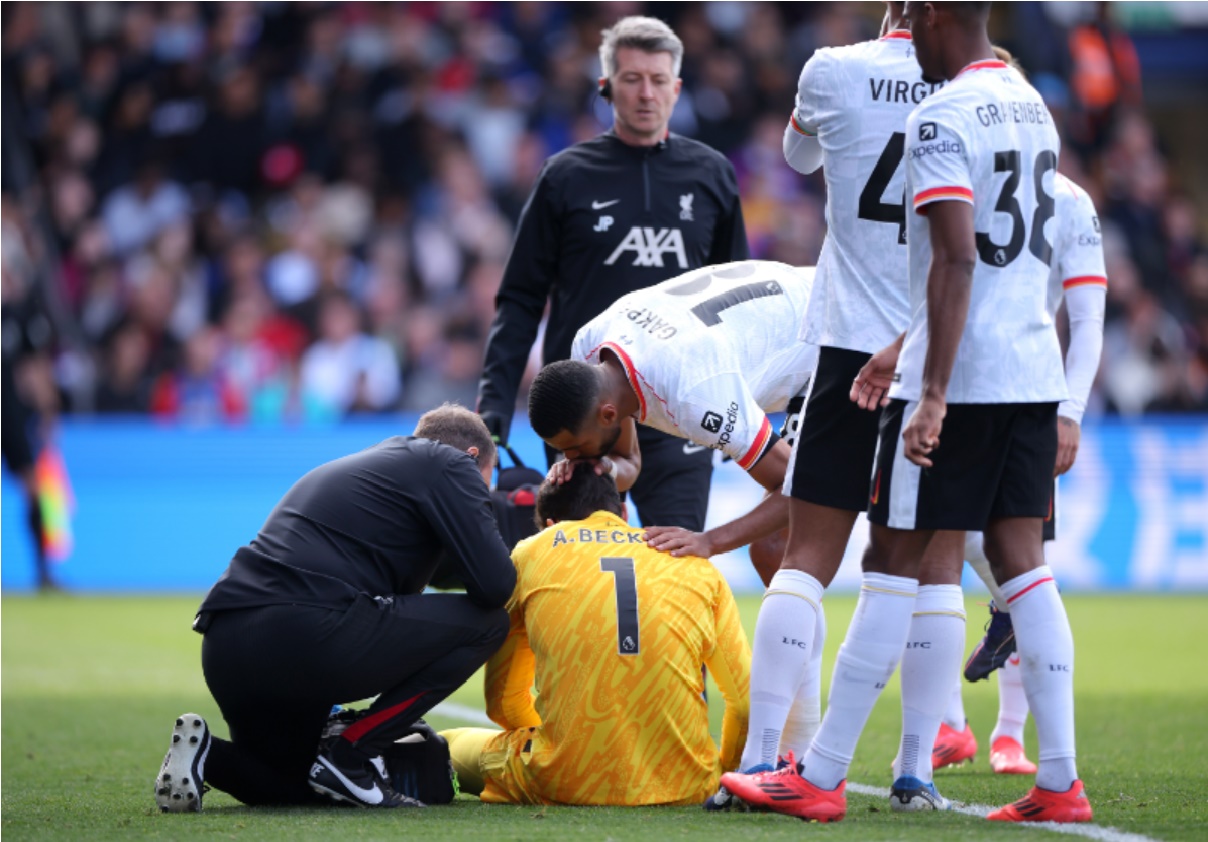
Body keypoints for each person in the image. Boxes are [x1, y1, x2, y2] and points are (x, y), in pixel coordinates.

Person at [723, 1, 1093, 824]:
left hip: (935, 367)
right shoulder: (1034, 106)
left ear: (924, 14)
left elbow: (956, 257)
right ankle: (1028, 777)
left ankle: (807, 772)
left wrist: (924, 382)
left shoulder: (922, 107)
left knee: (869, 558)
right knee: (1012, 568)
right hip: (1027, 368)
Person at [714, 1, 946, 807]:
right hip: (939, 347)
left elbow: (798, 156)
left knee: (807, 556)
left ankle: (758, 758)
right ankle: (913, 769)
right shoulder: (979, 87)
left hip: (847, 341)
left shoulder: (831, 69)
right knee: (924, 568)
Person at [153, 405, 516, 812]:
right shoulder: (449, 462)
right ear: (471, 457)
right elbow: (494, 585)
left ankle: (206, 755)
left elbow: (452, 568)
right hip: (306, 633)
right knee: (488, 623)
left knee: (289, 783)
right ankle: (352, 752)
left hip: (227, 646)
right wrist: (512, 518)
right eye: (483, 487)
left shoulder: (378, 469)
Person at [476, 15, 749, 537]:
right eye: (631, 78)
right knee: (582, 570)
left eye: (658, 79)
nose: (646, 93)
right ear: (605, 87)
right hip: (583, 408)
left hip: (681, 407)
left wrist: (740, 413)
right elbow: (519, 300)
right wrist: (493, 413)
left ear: (678, 87)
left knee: (677, 562)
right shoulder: (564, 176)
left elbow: (733, 306)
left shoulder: (712, 174)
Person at [920, 164, 1107, 777]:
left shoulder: (1070, 202)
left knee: (1012, 564)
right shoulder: (957, 182)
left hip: (1020, 400)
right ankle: (954, 723)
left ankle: (1006, 736)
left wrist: (1071, 413)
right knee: (952, 554)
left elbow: (1088, 319)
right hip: (959, 389)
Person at [440, 463, 750, 805]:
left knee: (445, 743)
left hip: (560, 781)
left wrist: (564, 741)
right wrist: (725, 775)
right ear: (623, 511)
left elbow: (503, 702)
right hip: (689, 784)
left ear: (549, 526)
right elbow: (746, 703)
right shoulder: (695, 562)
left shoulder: (531, 552)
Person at [526, 259, 817, 583]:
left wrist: (709, 541)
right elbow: (629, 464)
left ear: (608, 414)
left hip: (826, 333)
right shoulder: (590, 348)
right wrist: (604, 468)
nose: (572, 458)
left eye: (576, 448)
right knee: (771, 551)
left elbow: (799, 487)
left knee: (773, 549)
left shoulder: (696, 396)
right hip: (785, 301)